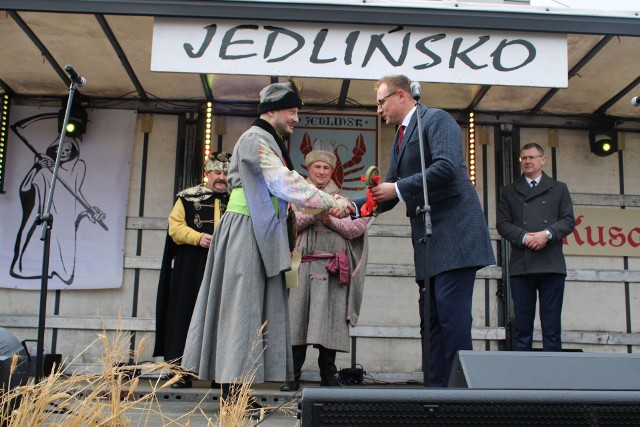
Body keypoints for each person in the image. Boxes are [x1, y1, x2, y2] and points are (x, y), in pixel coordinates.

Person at [181, 80, 353, 394]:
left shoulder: (266, 139)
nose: (296, 119)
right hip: (246, 230)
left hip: (258, 231)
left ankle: (238, 393)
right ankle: (232, 396)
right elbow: (285, 182)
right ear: (271, 110)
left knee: (250, 311)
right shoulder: (254, 139)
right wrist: (331, 201)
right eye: (292, 111)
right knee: (241, 309)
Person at [352, 75, 495, 387]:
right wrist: (350, 205)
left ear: (402, 95)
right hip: (429, 243)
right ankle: (434, 396)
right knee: (430, 323)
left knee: (452, 321)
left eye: (381, 102)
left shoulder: (436, 119)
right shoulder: (401, 139)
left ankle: (460, 397)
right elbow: (385, 194)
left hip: (456, 237)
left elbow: (447, 167)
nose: (379, 110)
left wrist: (398, 188)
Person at [280, 144, 369, 392]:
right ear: (308, 169)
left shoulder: (345, 200)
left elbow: (356, 228)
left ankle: (328, 376)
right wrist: (318, 213)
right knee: (295, 319)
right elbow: (289, 224)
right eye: (317, 167)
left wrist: (326, 217)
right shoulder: (294, 196)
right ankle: (292, 375)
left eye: (326, 168)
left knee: (329, 321)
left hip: (332, 268)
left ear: (332, 171)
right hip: (299, 265)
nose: (321, 171)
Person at [153, 152, 231, 388]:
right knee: (183, 315)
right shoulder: (187, 198)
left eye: (226, 173)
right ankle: (179, 372)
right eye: (217, 172)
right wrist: (197, 238)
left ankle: (221, 374)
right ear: (207, 173)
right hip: (191, 266)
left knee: (221, 317)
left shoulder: (237, 198)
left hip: (224, 265)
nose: (221, 177)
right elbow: (174, 228)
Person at [496, 142, 575, 352]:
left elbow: (568, 221)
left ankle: (554, 377)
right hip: (522, 266)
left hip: (551, 265)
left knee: (551, 326)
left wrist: (546, 235)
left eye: (532, 157)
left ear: (543, 160)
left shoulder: (559, 189)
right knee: (522, 325)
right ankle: (523, 378)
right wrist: (524, 237)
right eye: (524, 158)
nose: (528, 161)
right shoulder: (509, 191)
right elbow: (502, 224)